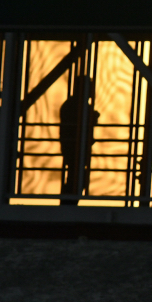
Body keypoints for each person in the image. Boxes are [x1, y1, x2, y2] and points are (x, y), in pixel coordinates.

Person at [59, 75, 99, 205]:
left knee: (75, 177)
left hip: (73, 148)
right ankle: (70, 202)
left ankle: (69, 202)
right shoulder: (78, 106)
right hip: (76, 149)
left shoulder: (70, 104)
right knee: (76, 178)